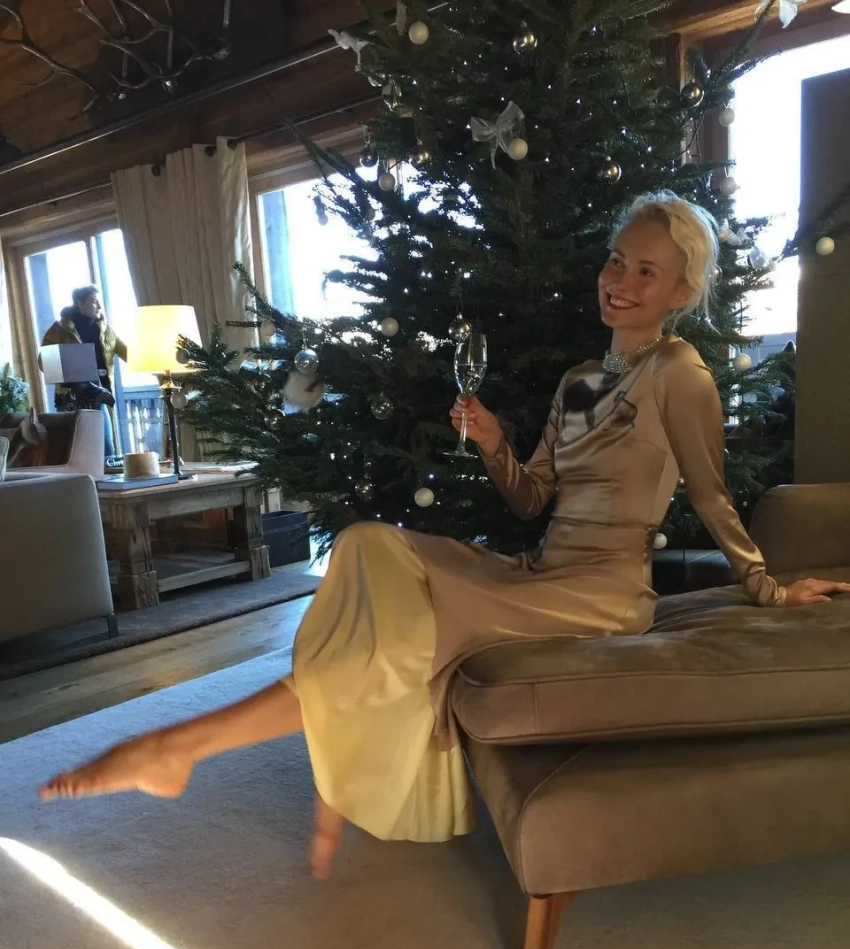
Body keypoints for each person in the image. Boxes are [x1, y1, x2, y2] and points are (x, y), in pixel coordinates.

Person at [37, 191, 850, 879]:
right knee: (368, 545)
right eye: (616, 261)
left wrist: (769, 587)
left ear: (681, 290)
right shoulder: (580, 381)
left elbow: (712, 495)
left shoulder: (681, 373)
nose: (621, 281)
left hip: (605, 593)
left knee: (407, 629)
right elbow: (532, 498)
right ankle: (309, 765)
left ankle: (177, 745)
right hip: (540, 567)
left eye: (646, 271)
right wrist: (494, 442)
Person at [40, 285, 128, 458]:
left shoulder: (106, 329)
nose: (99, 306)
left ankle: (106, 473)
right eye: (94, 302)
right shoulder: (60, 330)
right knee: (75, 448)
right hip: (71, 397)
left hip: (99, 393)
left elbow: (127, 352)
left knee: (106, 447)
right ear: (80, 303)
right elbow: (43, 362)